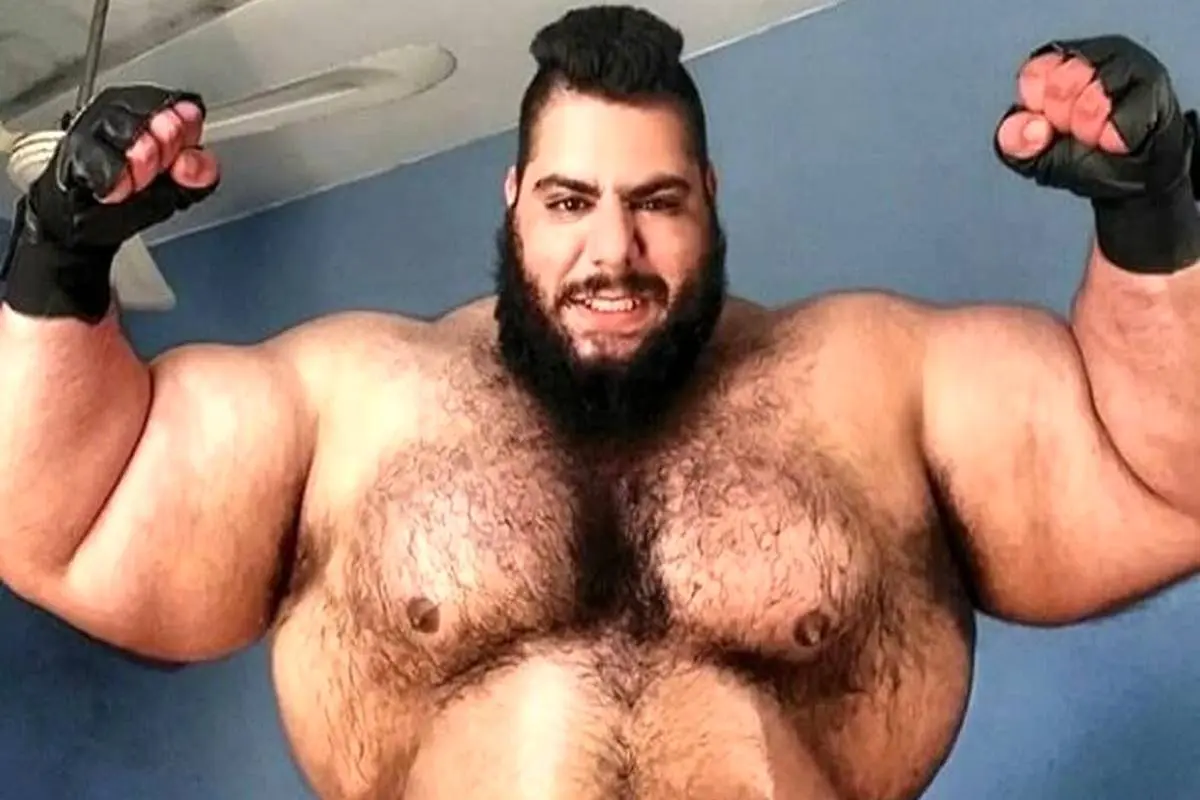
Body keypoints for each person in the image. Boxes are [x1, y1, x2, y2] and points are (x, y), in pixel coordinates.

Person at [2, 5, 1199, 798]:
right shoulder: (354, 399)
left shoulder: (877, 380)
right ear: (515, 198)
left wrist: (1157, 227)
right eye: (571, 201)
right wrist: (59, 262)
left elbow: (1164, 483)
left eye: (657, 201)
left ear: (710, 197)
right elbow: (62, 525)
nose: (613, 252)